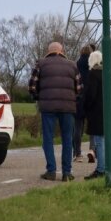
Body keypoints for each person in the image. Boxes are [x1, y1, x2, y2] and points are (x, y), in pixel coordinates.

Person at [28, 42, 81, 181]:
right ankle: (67, 173)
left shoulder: (41, 64)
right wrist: (72, 99)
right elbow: (79, 88)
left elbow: (32, 86)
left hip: (48, 107)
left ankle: (51, 171)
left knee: (48, 139)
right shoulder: (72, 65)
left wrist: (39, 97)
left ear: (48, 51)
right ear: (61, 51)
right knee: (67, 139)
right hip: (68, 108)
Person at [82, 50, 106, 180]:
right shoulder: (105, 74)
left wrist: (85, 106)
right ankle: (106, 167)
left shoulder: (93, 75)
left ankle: (101, 169)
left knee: (99, 141)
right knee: (104, 141)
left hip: (96, 112)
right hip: (105, 111)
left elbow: (91, 94)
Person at [73, 45, 93, 163]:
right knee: (92, 128)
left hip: (79, 98)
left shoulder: (76, 65)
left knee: (77, 127)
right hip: (90, 99)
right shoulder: (92, 65)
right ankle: (92, 150)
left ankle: (77, 153)